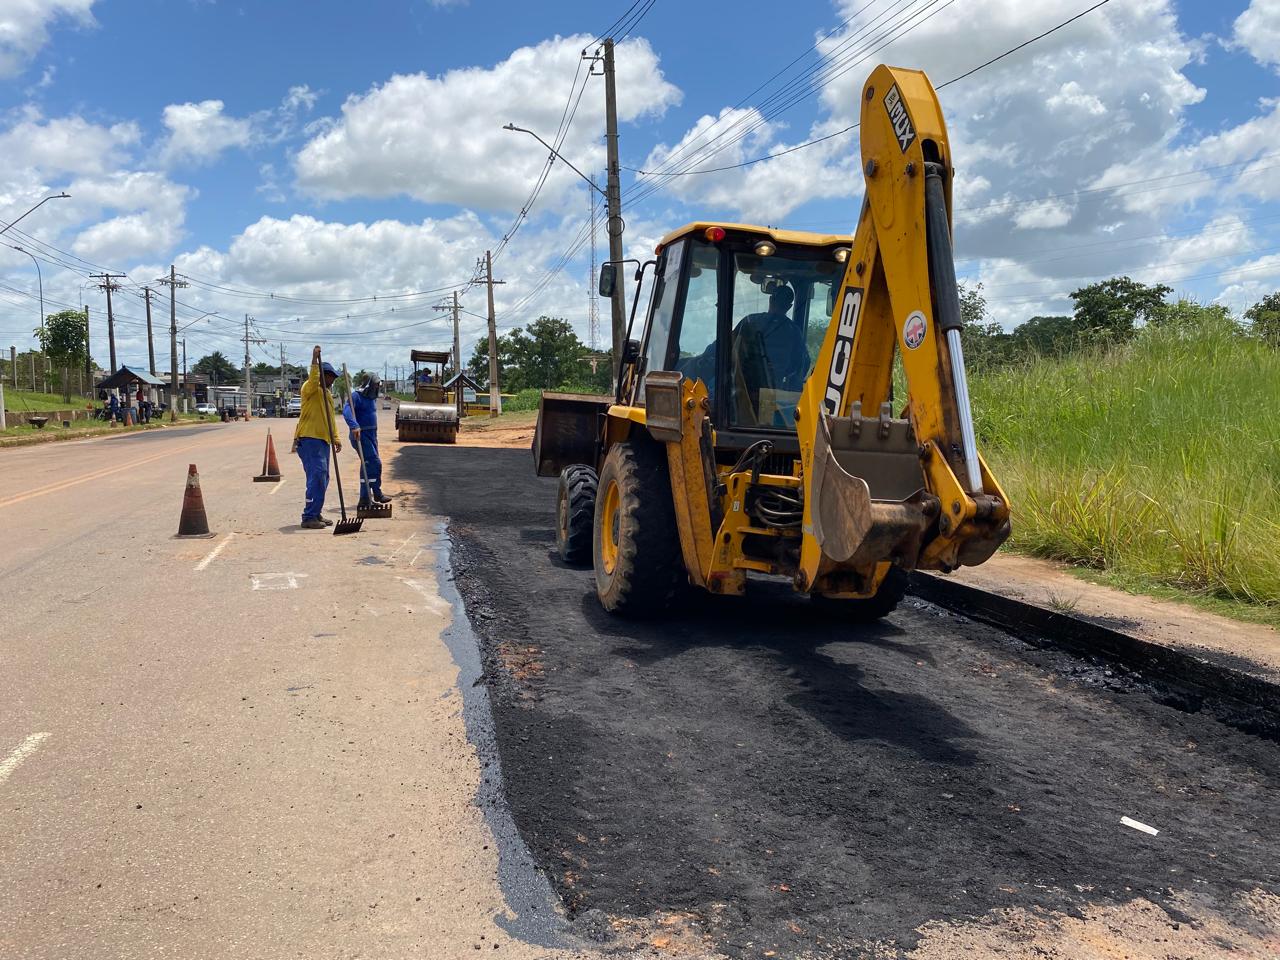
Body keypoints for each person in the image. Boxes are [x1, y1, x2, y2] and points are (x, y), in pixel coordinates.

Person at [293, 345, 342, 529]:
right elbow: (313, 379)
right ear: (323, 375)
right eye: (331, 376)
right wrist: (314, 359)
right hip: (309, 439)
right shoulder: (310, 388)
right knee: (317, 475)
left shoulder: (327, 394)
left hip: (323, 440)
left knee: (323, 478)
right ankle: (309, 517)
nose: (333, 380)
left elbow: (330, 419)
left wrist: (335, 438)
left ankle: (316, 511)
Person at [342, 374, 390, 507]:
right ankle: (374, 494)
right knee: (373, 462)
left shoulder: (372, 398)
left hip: (372, 434)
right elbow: (346, 411)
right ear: (368, 384)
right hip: (360, 435)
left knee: (369, 465)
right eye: (375, 384)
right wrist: (354, 425)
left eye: (378, 385)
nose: (377, 387)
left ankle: (368, 496)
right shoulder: (356, 396)